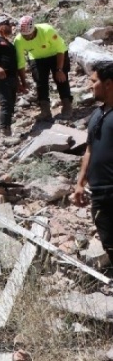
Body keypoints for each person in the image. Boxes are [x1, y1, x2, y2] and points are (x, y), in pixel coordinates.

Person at [73, 61, 113, 273]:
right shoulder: (97, 114)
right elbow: (89, 150)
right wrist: (80, 183)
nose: (90, 86)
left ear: (108, 84)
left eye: (94, 81)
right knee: (109, 242)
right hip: (99, 193)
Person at [14, 15, 73, 120]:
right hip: (37, 58)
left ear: (34, 29)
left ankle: (67, 106)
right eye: (24, 35)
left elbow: (60, 49)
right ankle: (45, 110)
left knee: (61, 79)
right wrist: (23, 82)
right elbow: (20, 62)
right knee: (40, 82)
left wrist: (59, 70)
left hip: (56, 54)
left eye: (29, 34)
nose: (26, 37)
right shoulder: (18, 40)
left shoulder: (47, 30)